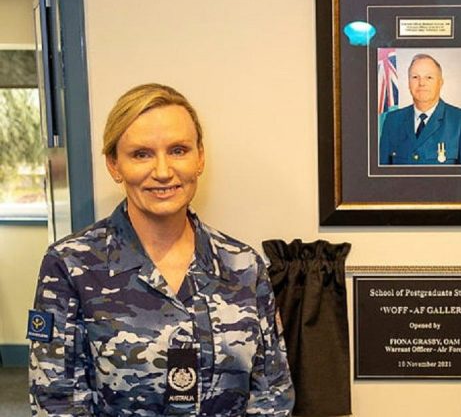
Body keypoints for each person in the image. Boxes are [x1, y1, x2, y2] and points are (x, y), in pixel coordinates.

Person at [27, 83, 295, 416]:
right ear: (114, 165)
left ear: (200, 157)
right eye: (141, 154)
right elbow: (56, 403)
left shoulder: (243, 266)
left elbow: (273, 395)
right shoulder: (70, 265)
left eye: (179, 150)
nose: (164, 171)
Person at [379, 53, 461, 165]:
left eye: (429, 77)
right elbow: (381, 176)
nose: (422, 83)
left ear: (440, 82)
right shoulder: (392, 121)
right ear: (408, 83)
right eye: (415, 77)